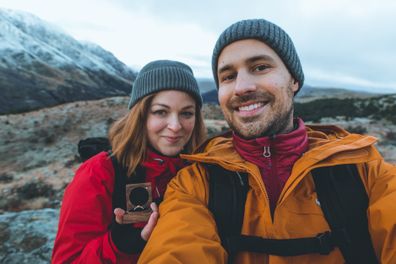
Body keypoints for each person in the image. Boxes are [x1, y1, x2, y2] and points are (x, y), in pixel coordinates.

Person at [138, 19, 396, 263]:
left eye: (260, 67)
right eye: (228, 76)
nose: (241, 87)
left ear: (294, 80)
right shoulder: (194, 184)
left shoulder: (366, 171)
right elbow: (176, 250)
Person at [52, 60, 207, 263]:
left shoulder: (200, 170)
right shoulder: (100, 172)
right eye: (161, 112)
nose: (176, 126)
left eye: (187, 113)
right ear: (140, 116)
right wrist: (120, 244)